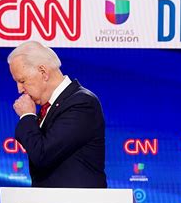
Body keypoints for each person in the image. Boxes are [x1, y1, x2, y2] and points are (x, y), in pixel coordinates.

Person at [9, 41, 107, 188]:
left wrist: (27, 116)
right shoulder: (50, 107)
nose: (19, 89)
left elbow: (42, 155)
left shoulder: (81, 103)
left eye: (22, 81)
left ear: (43, 72)